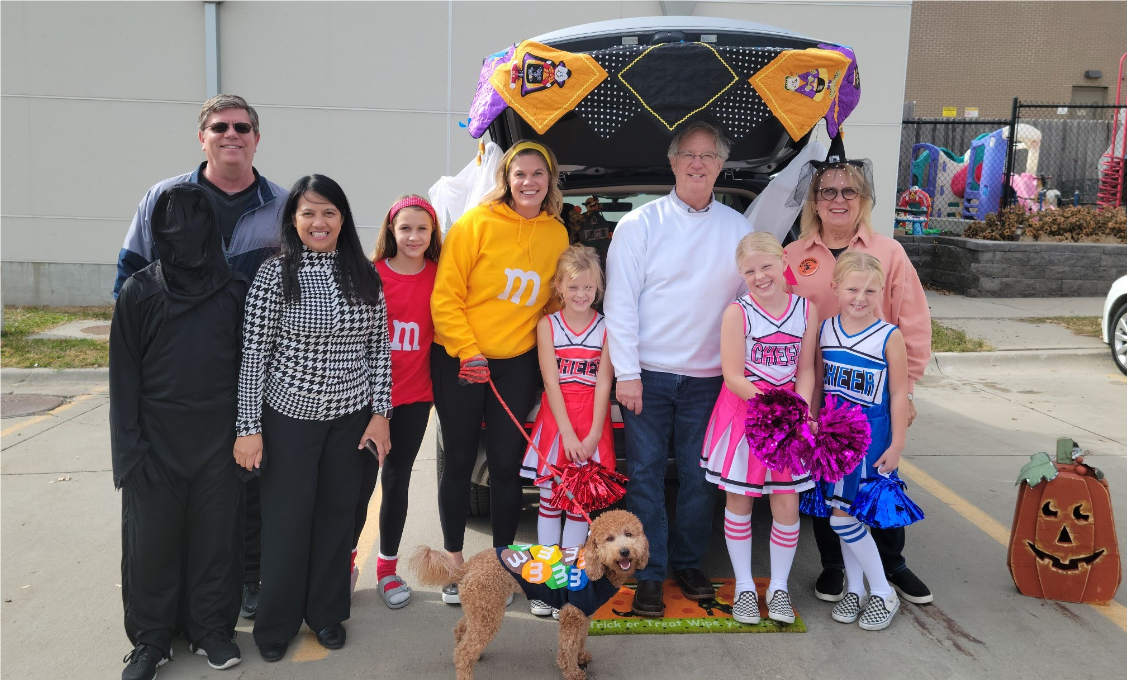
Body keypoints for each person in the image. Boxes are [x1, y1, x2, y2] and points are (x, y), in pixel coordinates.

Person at [114, 94, 285, 621]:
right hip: (182, 373)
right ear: (202, 136)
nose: (230, 134)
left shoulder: (282, 205)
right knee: (182, 498)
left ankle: (250, 578)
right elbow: (129, 281)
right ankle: (181, 600)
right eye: (219, 127)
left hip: (258, 368)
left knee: (250, 484)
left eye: (241, 127)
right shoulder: (164, 198)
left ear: (257, 138)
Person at [233, 175, 392, 662]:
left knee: (335, 520)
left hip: (350, 418)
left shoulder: (365, 275)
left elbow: (378, 350)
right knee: (286, 521)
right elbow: (254, 354)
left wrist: (380, 413)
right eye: (308, 213)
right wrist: (248, 428)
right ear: (293, 220)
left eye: (329, 212)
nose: (319, 222)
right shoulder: (275, 274)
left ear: (343, 219)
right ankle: (276, 624)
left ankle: (326, 615)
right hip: (289, 419)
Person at [604, 120, 752, 617]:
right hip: (647, 375)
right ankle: (649, 572)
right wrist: (627, 372)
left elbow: (751, 306)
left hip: (711, 380)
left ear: (720, 166)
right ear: (671, 163)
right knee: (643, 475)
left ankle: (688, 564)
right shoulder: (639, 225)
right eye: (687, 154)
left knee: (699, 476)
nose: (697, 163)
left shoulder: (738, 230)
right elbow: (621, 305)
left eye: (708, 156)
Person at [782, 138, 933, 606]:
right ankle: (833, 566)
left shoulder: (888, 253)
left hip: (875, 399)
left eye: (849, 191)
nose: (838, 199)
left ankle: (892, 565)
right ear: (814, 200)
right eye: (828, 191)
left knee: (878, 482)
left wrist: (906, 395)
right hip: (823, 394)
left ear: (863, 199)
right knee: (828, 484)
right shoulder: (793, 257)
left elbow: (913, 321)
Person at [111, 184, 248, 679]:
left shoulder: (234, 290)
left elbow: (249, 368)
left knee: (216, 541)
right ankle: (150, 640)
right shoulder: (140, 291)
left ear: (212, 229)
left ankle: (210, 629)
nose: (182, 235)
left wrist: (247, 435)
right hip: (154, 441)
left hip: (219, 440)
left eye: (194, 225)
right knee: (151, 544)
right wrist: (129, 451)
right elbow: (123, 377)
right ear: (157, 233)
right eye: (171, 228)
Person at [430, 140, 569, 605]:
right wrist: (468, 352)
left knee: (508, 468)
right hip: (461, 359)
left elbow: (552, 301)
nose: (529, 182)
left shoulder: (557, 234)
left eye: (538, 174)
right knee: (462, 462)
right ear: (505, 181)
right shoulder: (476, 224)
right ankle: (454, 568)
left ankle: (503, 567)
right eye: (519, 174)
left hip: (517, 362)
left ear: (550, 180)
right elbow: (445, 296)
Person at [700, 232, 818, 626]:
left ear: (783, 260)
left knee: (786, 502)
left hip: (787, 416)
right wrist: (772, 408)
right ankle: (746, 588)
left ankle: (779, 588)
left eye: (766, 266)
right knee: (741, 499)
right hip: (747, 414)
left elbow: (805, 369)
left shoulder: (806, 309)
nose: (760, 276)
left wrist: (797, 409)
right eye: (749, 271)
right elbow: (733, 375)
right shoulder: (739, 312)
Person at [351, 194, 442, 609]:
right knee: (358, 485)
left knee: (396, 482)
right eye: (405, 227)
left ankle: (386, 569)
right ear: (391, 230)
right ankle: (346, 564)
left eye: (422, 228)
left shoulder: (441, 276)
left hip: (414, 399)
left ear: (433, 233)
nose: (413, 236)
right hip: (368, 403)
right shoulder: (369, 275)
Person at [815, 252, 909, 631]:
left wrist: (898, 443)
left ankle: (884, 592)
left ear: (881, 291)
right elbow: (818, 383)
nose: (860, 297)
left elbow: (900, 394)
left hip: (872, 439)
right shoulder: (825, 330)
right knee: (845, 514)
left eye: (870, 290)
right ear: (835, 288)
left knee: (845, 518)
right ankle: (855, 589)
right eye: (853, 289)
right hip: (833, 440)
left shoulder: (889, 335)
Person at [519, 244, 615, 617]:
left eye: (588, 288)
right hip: (557, 425)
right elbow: (551, 384)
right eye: (573, 287)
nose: (581, 295)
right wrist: (569, 436)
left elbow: (604, 384)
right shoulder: (548, 325)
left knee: (579, 508)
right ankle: (546, 585)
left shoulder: (606, 327)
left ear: (598, 288)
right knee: (549, 501)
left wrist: (591, 436)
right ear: (559, 286)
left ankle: (570, 587)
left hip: (592, 424)